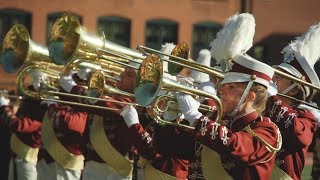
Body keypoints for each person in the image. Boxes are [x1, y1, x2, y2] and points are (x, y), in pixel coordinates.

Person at [265, 22, 320, 179]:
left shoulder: (306, 117)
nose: (273, 79)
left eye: (280, 77)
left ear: (294, 89)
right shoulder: (266, 106)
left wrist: (272, 98)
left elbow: (297, 131)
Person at [39, 71, 88, 180]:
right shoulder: (61, 96)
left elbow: (70, 122)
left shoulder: (87, 102)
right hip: (45, 159)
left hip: (66, 163)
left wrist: (51, 104)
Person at [0, 70, 48, 180]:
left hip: (30, 161)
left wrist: (3, 107)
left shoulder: (43, 109)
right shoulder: (31, 104)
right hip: (16, 157)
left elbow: (19, 125)